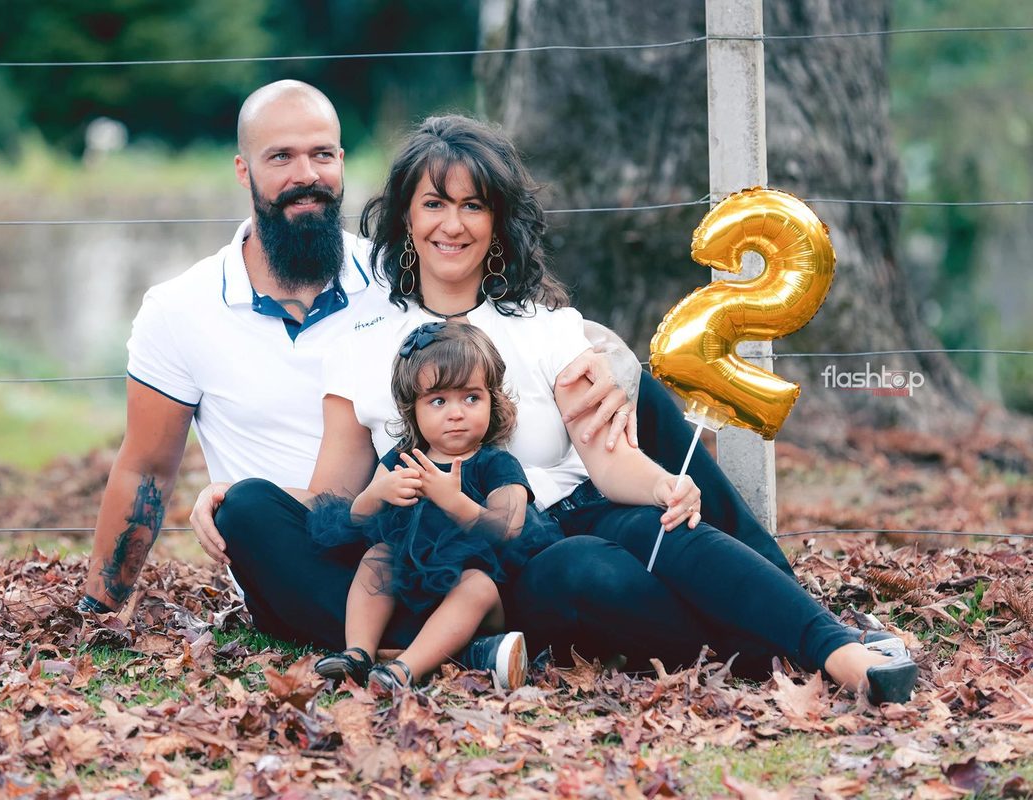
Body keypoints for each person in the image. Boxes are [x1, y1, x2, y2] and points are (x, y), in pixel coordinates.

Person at [277, 114, 918, 703]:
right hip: (476, 565)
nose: (453, 224)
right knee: (582, 576)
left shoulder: (547, 328)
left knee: (660, 529)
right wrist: (244, 496)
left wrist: (669, 484)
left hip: (570, 517)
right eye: (435, 204)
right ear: (406, 220)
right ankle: (778, 638)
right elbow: (329, 506)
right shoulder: (361, 342)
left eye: (474, 205)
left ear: (497, 223)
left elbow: (608, 463)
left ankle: (838, 652)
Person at [77, 80, 636, 677]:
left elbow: (515, 315)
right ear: (243, 170)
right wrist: (99, 605)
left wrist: (616, 364)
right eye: (280, 157)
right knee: (248, 510)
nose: (305, 174)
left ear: (342, 162)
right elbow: (145, 467)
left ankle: (438, 645)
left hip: (425, 528)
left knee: (634, 406)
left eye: (321, 154)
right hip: (307, 547)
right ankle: (464, 649)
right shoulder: (180, 309)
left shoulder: (393, 270)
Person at [309, 322, 564, 690]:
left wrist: (453, 500)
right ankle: (358, 653)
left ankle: (404, 669)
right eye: (439, 401)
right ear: (414, 410)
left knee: (476, 585)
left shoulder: (495, 464)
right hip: (412, 590)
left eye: (471, 398)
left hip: (482, 598)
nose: (456, 413)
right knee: (378, 555)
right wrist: (378, 493)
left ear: (493, 400)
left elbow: (508, 528)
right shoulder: (403, 459)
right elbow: (356, 517)